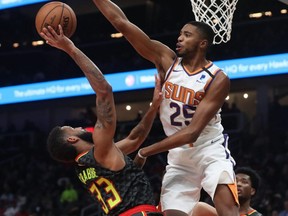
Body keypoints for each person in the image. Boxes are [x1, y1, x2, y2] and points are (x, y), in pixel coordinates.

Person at [91, 1, 239, 216]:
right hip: (178, 158)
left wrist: (145, 151)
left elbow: (192, 132)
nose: (180, 38)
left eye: (187, 35)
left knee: (228, 208)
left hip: (209, 149)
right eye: (180, 34)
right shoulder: (166, 61)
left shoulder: (217, 78)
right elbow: (121, 23)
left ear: (203, 43)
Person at [42, 25, 163, 216]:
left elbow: (134, 140)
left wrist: (154, 106)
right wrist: (70, 48)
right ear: (72, 140)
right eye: (73, 128)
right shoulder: (101, 150)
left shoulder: (84, 167)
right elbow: (104, 90)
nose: (79, 126)